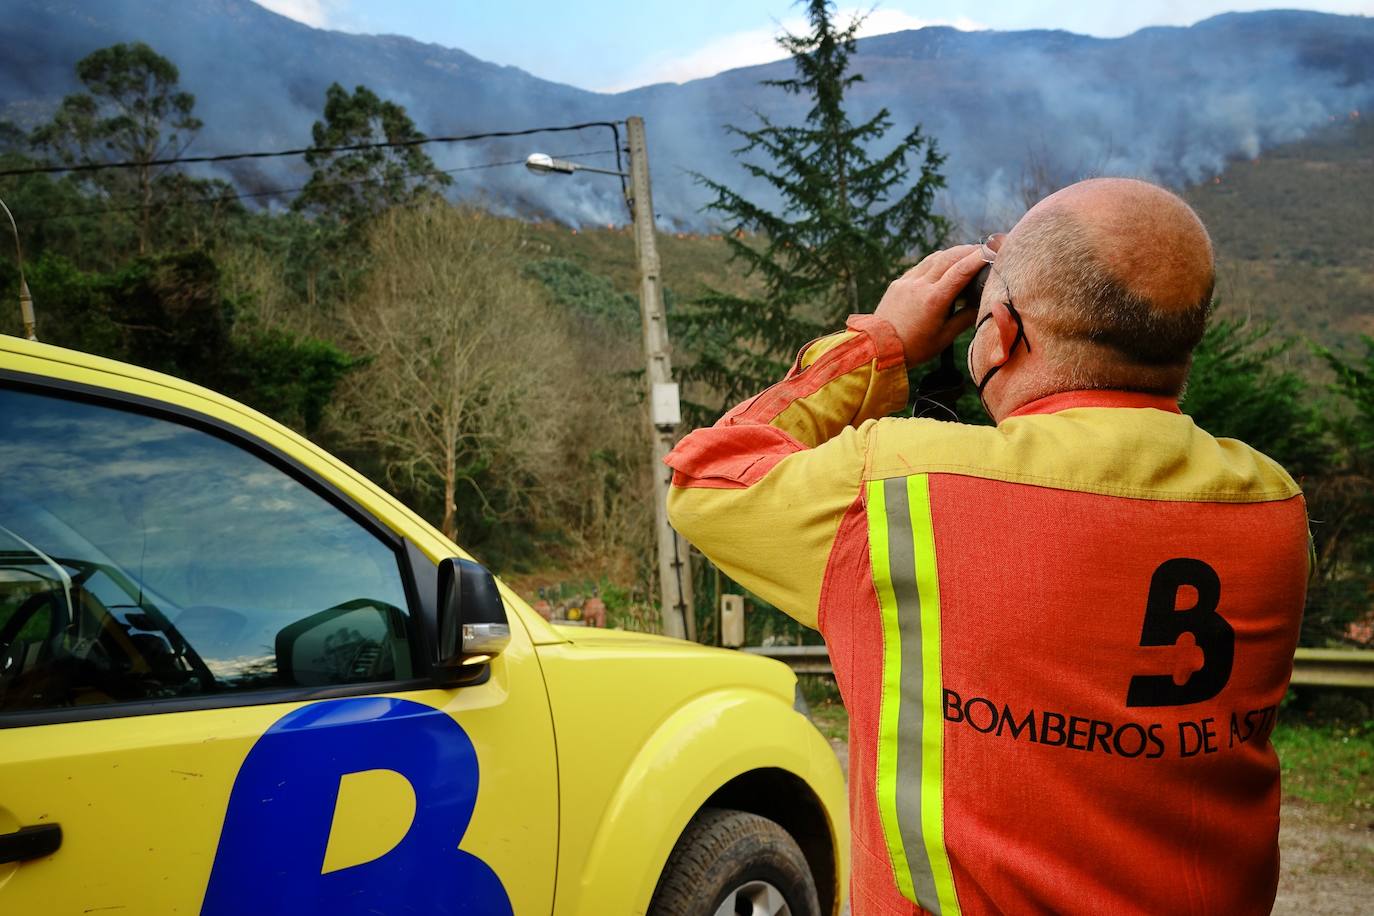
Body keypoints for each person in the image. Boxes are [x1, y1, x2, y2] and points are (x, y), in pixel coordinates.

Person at [665, 178, 1309, 915]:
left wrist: (883, 342)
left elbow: (705, 477)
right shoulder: (1273, 507)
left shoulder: (900, 486)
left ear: (999, 332)